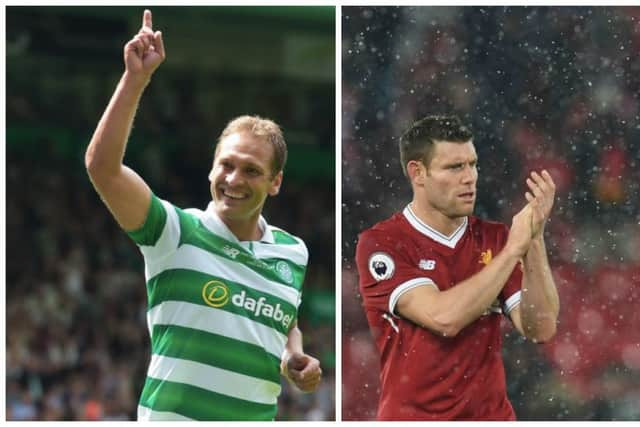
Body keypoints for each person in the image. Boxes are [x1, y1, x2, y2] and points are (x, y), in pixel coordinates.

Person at [84, 10, 322, 421]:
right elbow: (102, 168)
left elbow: (284, 319)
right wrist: (135, 80)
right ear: (211, 168)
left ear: (275, 182)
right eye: (226, 165)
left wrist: (292, 356)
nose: (234, 179)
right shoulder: (175, 231)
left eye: (251, 170)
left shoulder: (293, 252)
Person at [355, 114, 560, 420]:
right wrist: (512, 251)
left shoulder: (496, 239)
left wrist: (534, 241)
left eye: (472, 164)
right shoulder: (382, 244)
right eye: (454, 167)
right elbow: (444, 318)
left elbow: (541, 327)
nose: (470, 177)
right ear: (418, 173)